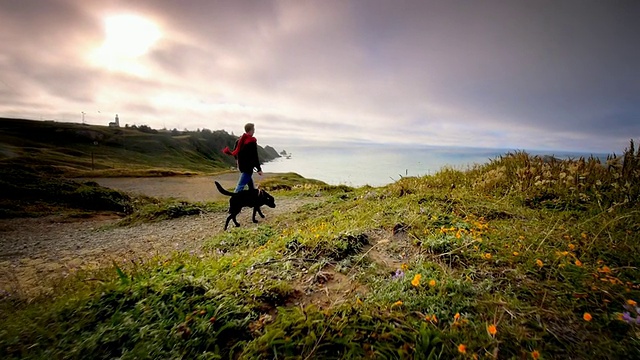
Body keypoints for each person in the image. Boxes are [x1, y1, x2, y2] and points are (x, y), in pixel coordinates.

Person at [223, 123, 263, 192]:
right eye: (253, 129)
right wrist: (259, 169)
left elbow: (235, 153)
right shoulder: (252, 141)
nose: (254, 131)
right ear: (250, 130)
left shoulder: (239, 141)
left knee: (251, 185)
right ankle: (234, 200)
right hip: (248, 168)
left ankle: (253, 199)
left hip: (241, 166)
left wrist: (238, 161)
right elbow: (254, 156)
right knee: (240, 186)